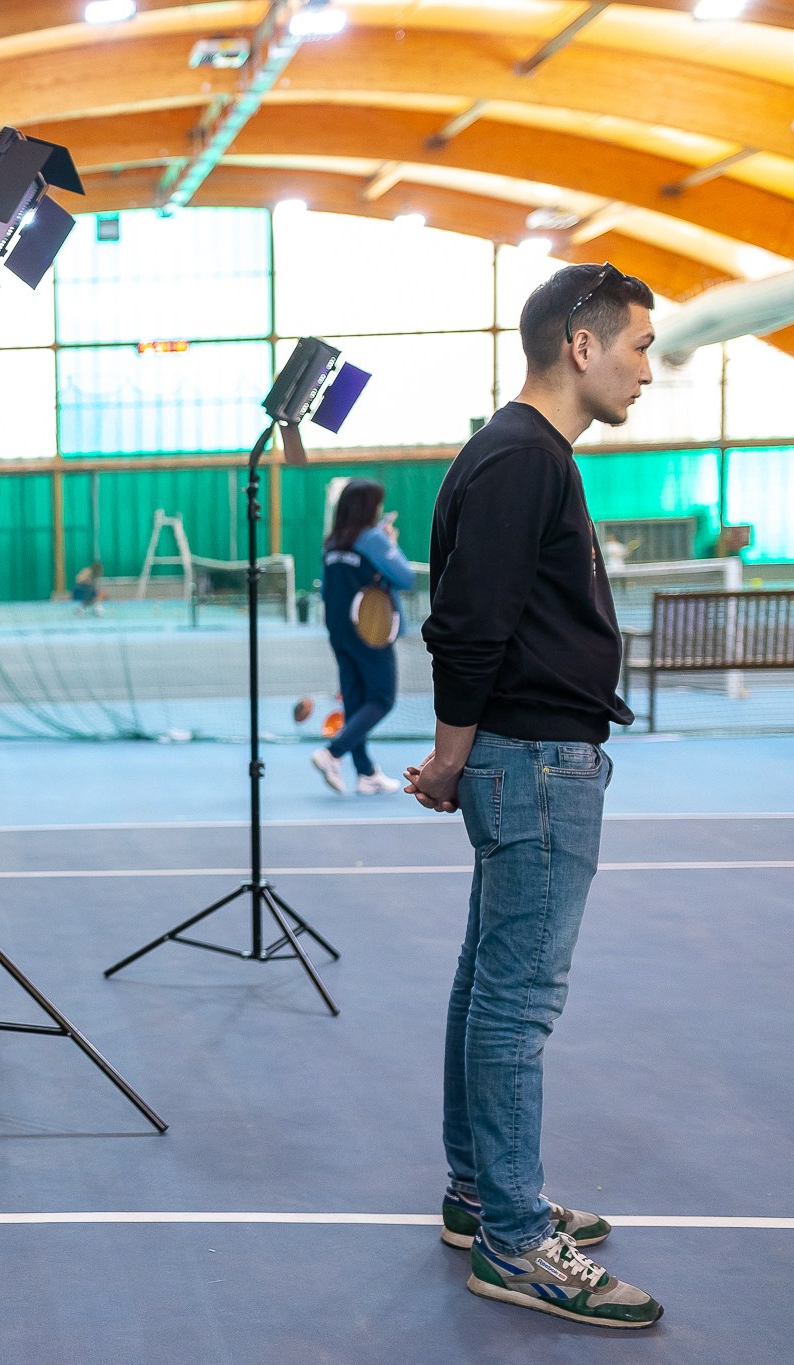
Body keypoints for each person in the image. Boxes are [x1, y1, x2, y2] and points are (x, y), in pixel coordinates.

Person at [405, 261, 662, 1329]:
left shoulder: (515, 452)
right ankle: (514, 1243)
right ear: (580, 342)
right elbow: (469, 623)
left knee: (485, 987)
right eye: (640, 347)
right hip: (532, 765)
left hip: (523, 761)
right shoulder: (522, 459)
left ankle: (478, 1197)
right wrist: (450, 755)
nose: (648, 371)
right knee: (514, 1006)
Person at [310, 481, 414, 795]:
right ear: (368, 507)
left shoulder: (333, 543)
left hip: (339, 631)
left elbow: (328, 589)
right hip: (370, 632)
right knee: (381, 699)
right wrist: (389, 541)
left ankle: (366, 772)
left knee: (356, 702)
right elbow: (406, 577)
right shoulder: (372, 538)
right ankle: (332, 752)